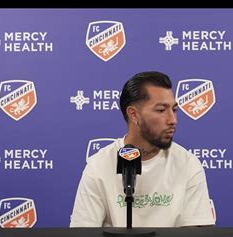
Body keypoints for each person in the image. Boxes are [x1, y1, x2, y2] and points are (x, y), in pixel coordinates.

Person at [70, 71, 216, 227]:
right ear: (134, 115)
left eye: (174, 110)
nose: (173, 120)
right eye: (161, 110)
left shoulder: (187, 163)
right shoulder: (99, 165)